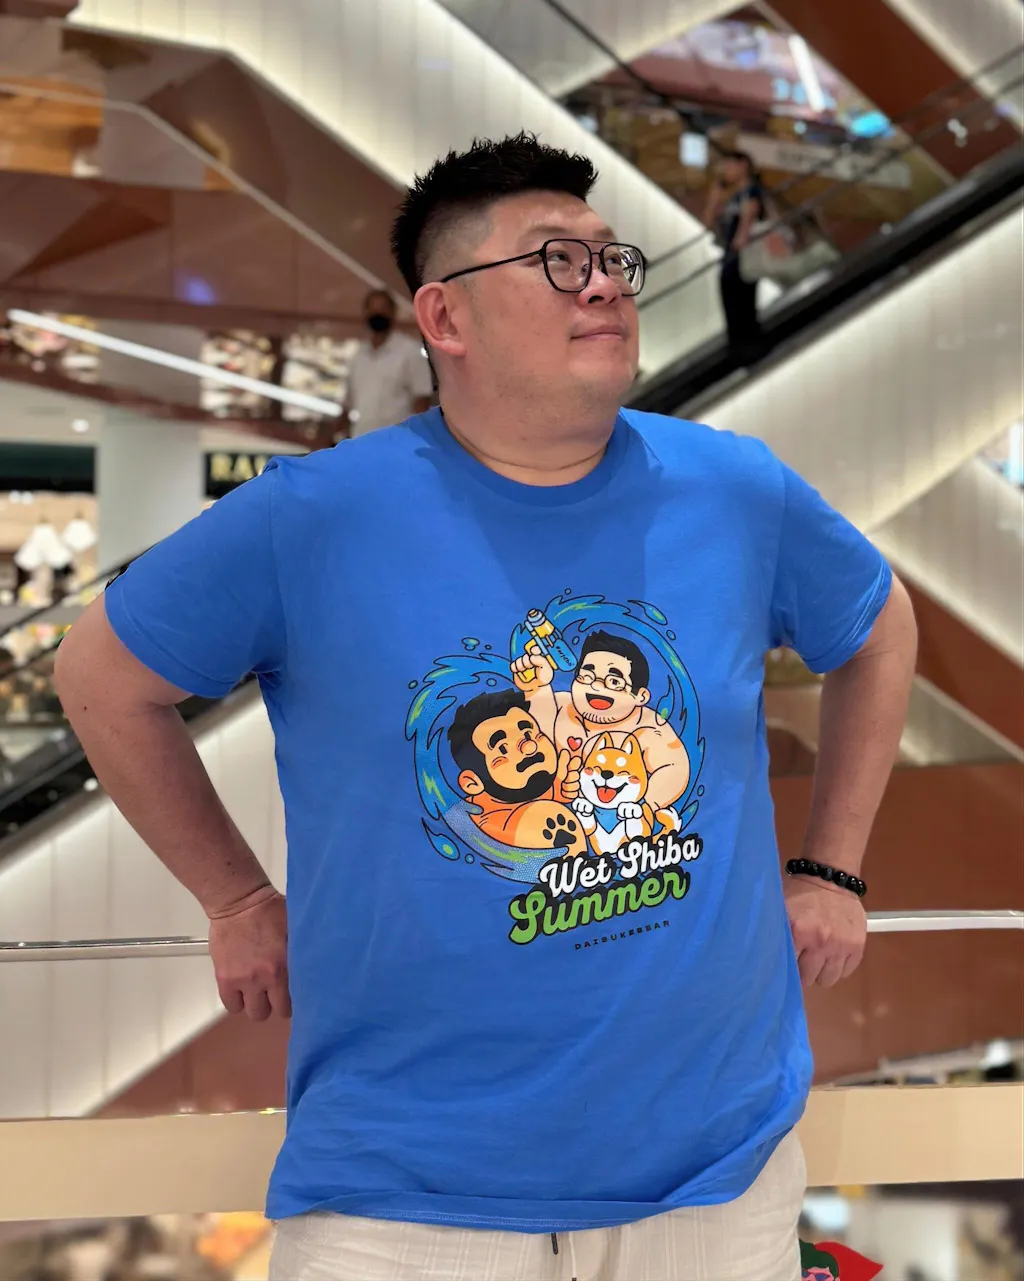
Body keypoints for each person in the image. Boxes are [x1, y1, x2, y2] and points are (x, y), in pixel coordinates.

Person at [55, 132, 917, 1281]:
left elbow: (879, 626)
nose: (602, 283)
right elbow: (101, 680)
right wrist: (235, 897)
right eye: (556, 259)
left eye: (611, 258)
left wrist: (832, 867)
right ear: (444, 317)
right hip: (403, 1199)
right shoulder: (315, 518)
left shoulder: (734, 489)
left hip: (715, 1179)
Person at [341, 288, 433, 437]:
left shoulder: (410, 352)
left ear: (393, 313)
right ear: (365, 313)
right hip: (361, 440)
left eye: (382, 309)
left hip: (398, 442)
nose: (377, 314)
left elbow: (422, 401)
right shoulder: (359, 356)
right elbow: (348, 403)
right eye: (372, 309)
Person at [703, 150, 766, 362]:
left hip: (743, 258)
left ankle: (749, 351)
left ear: (743, 165)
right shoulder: (733, 198)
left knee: (744, 306)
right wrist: (715, 195)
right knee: (731, 305)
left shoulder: (752, 193)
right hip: (730, 258)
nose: (725, 170)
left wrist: (740, 239)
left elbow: (747, 225)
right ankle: (738, 349)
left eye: (729, 165)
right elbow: (708, 223)